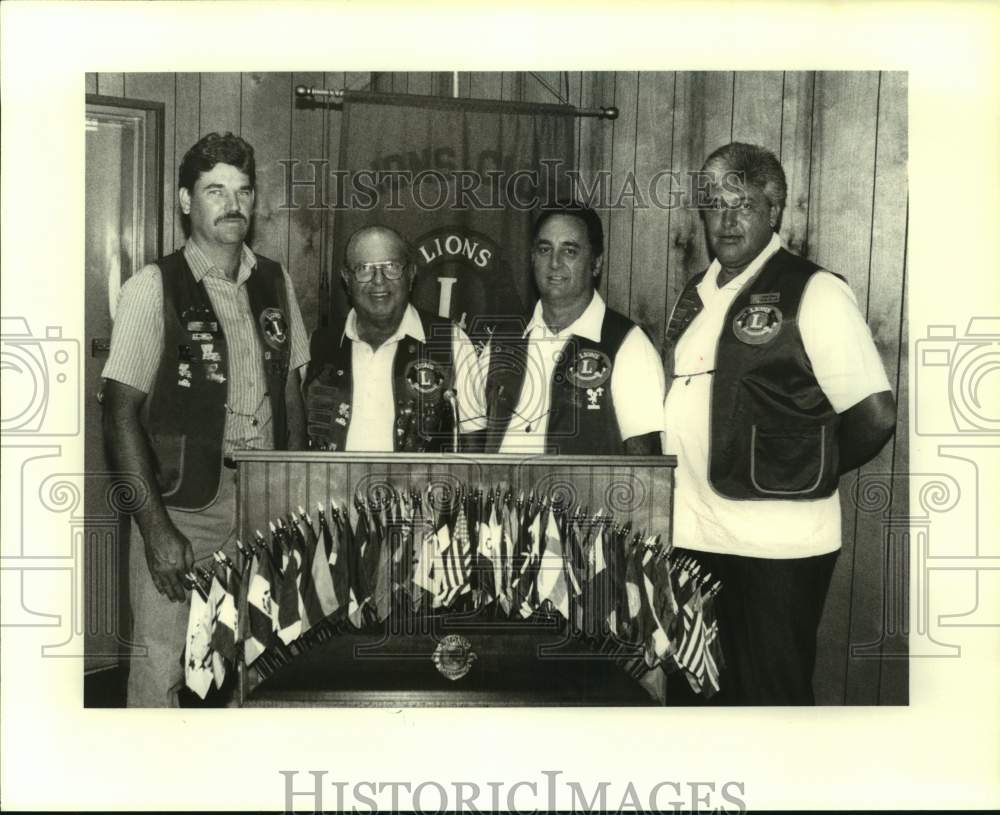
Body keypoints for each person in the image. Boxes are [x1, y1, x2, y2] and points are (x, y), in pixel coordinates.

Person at [663, 142, 896, 705]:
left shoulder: (813, 291)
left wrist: (802, 466)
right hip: (693, 534)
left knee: (771, 703)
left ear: (775, 210)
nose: (727, 218)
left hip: (777, 547)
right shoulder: (696, 294)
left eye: (742, 203)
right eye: (714, 204)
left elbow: (874, 415)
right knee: (702, 696)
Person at [102, 132, 310, 707]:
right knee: (161, 669)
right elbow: (119, 414)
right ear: (186, 201)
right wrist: (154, 527)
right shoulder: (153, 286)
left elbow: (291, 391)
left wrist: (292, 494)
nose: (233, 203)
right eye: (215, 190)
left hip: (265, 505)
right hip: (184, 511)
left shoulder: (275, 280)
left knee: (256, 662)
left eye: (243, 190)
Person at [481, 201, 665, 455]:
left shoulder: (628, 345)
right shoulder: (501, 341)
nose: (554, 263)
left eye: (569, 251)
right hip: (501, 493)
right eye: (545, 249)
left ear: (596, 263)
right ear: (532, 258)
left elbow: (645, 471)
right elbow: (470, 443)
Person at [304, 225, 484, 452]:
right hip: (329, 485)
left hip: (419, 487)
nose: (379, 280)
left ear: (410, 274)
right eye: (364, 268)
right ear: (346, 279)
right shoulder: (318, 345)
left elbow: (474, 450)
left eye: (391, 266)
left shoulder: (452, 341)